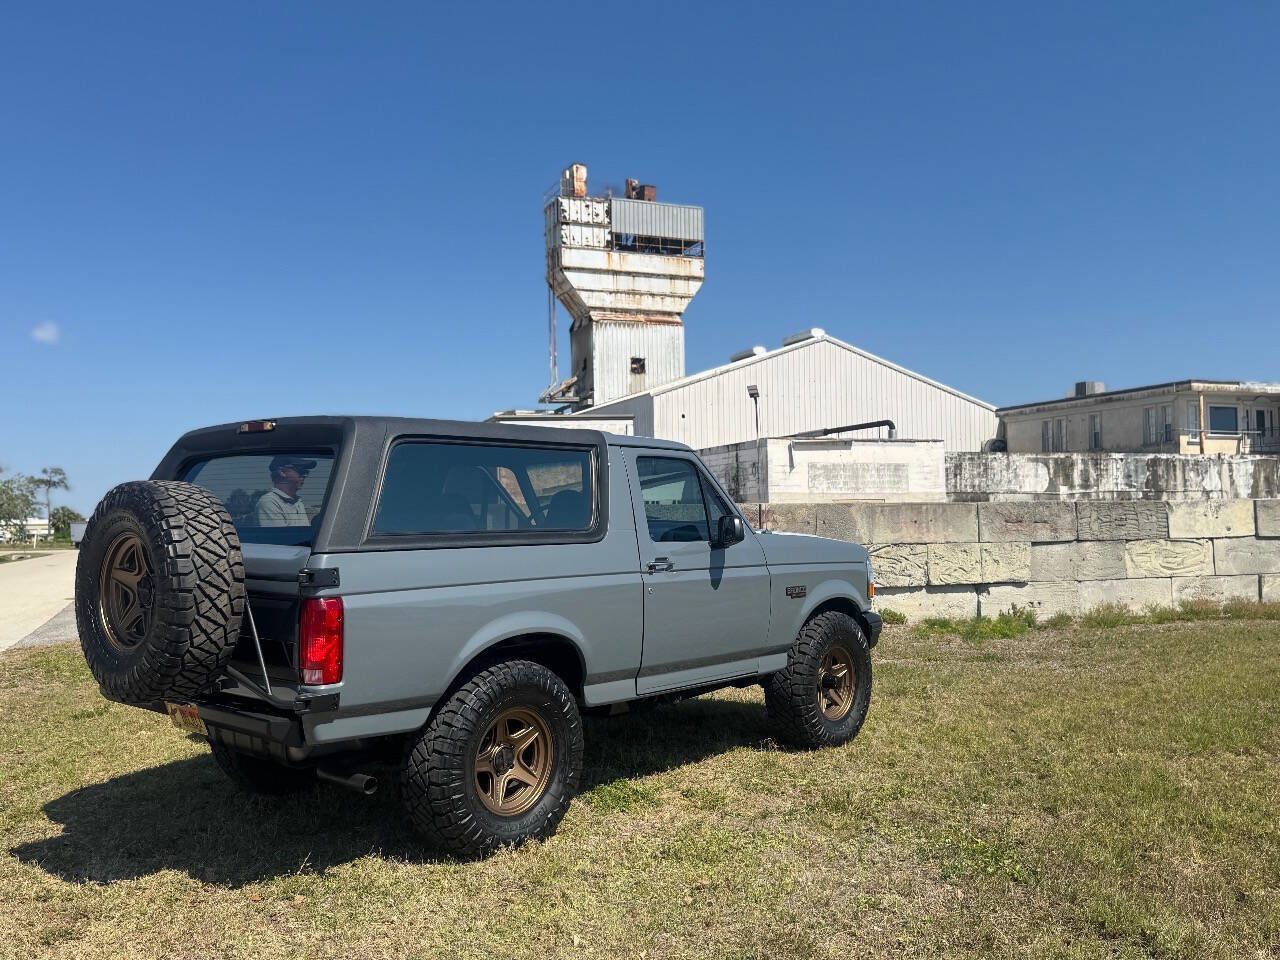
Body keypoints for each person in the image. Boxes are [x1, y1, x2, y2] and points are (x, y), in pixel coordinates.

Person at [255, 455, 316, 527]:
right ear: (282, 472)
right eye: (301, 471)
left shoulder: (298, 502)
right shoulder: (269, 502)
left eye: (306, 472)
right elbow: (279, 534)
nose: (305, 475)